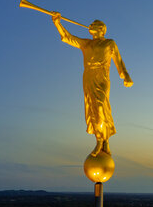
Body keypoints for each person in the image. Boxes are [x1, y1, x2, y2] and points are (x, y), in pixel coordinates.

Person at [52, 12, 133, 156]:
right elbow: (68, 38)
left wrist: (125, 76)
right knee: (93, 110)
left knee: (101, 106)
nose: (91, 26)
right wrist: (57, 23)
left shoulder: (109, 43)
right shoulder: (86, 43)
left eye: (95, 25)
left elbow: (119, 61)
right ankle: (101, 141)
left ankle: (104, 139)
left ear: (101, 29)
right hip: (88, 77)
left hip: (102, 77)